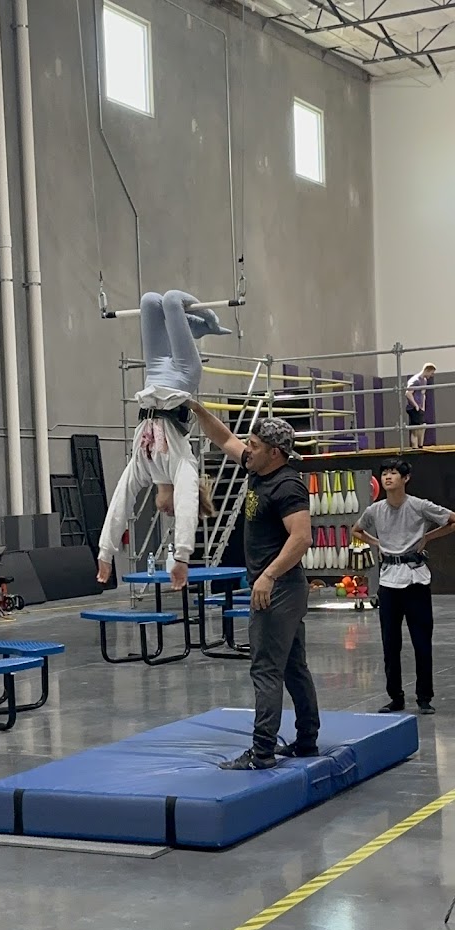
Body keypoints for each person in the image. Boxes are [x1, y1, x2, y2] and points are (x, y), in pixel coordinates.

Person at [187, 402, 320, 769]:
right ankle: (307, 741)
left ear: (274, 453)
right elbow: (224, 438)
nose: (247, 449)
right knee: (293, 667)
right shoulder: (255, 466)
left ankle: (262, 752)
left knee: (266, 670)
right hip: (278, 587)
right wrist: (196, 409)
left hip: (279, 588)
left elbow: (302, 538)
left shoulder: (287, 485)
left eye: (255, 445)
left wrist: (268, 575)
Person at [97, 290, 230, 591]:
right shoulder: (183, 467)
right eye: (171, 512)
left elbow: (120, 501)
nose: (166, 512)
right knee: (170, 300)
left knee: (148, 301)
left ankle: (193, 330)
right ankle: (208, 323)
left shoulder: (142, 468)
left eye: (165, 513)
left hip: (154, 376)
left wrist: (106, 552)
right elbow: (186, 508)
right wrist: (181, 557)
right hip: (182, 378)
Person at [352, 457, 455, 715]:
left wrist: (427, 537)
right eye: (385, 473)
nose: (388, 477)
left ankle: (424, 697)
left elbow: (451, 520)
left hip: (415, 579)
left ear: (405, 478)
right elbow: (357, 530)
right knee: (390, 643)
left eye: (394, 473)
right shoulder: (375, 510)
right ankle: (395, 697)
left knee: (422, 642)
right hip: (388, 581)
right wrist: (378, 543)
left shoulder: (419, 506)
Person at [405, 363, 436, 449]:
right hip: (413, 407)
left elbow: (423, 394)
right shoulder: (415, 380)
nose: (431, 375)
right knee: (415, 430)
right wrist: (415, 405)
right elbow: (408, 393)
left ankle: (420, 446)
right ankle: (415, 448)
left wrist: (422, 407)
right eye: (431, 373)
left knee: (422, 427)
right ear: (427, 370)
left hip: (420, 407)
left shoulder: (424, 380)